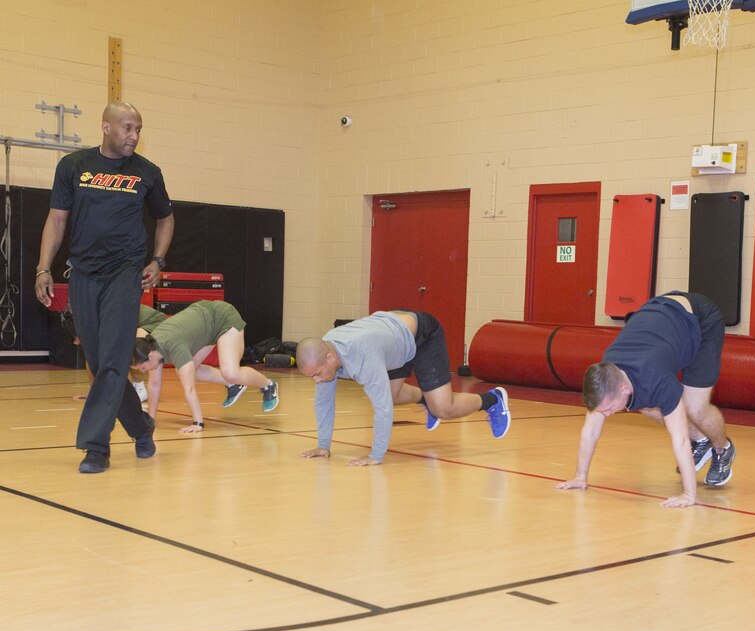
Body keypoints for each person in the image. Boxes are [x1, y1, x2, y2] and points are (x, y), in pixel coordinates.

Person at [34, 101, 174, 474]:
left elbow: (165, 218)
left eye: (138, 129)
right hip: (82, 274)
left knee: (112, 360)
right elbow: (56, 219)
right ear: (106, 127)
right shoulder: (74, 167)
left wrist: (157, 261)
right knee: (99, 363)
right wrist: (42, 268)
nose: (133, 136)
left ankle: (96, 446)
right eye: (127, 128)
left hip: (124, 274)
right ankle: (141, 429)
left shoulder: (147, 172)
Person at [555, 291, 736, 508]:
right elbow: (590, 431)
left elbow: (679, 440)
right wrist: (580, 477)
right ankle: (702, 441)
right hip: (664, 322)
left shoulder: (657, 380)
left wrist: (689, 494)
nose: (607, 414)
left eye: (610, 409)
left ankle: (721, 448)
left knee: (694, 408)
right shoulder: (605, 377)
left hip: (700, 320)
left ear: (623, 389)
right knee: (645, 405)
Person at [295, 310, 511, 466]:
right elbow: (323, 401)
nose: (317, 380)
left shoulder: (363, 358)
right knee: (393, 396)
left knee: (443, 409)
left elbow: (383, 409)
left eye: (317, 374)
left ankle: (493, 400)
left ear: (331, 357)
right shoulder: (326, 352)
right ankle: (427, 398)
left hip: (422, 337)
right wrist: (323, 444)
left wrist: (376, 455)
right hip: (392, 345)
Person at [132, 300, 279, 433]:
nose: (144, 371)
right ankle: (233, 385)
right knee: (188, 371)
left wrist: (198, 423)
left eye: (143, 367)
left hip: (223, 318)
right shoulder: (151, 346)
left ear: (150, 356)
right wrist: (150, 420)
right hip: (206, 323)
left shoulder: (175, 348)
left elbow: (189, 389)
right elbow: (154, 384)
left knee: (231, 372)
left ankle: (268, 385)